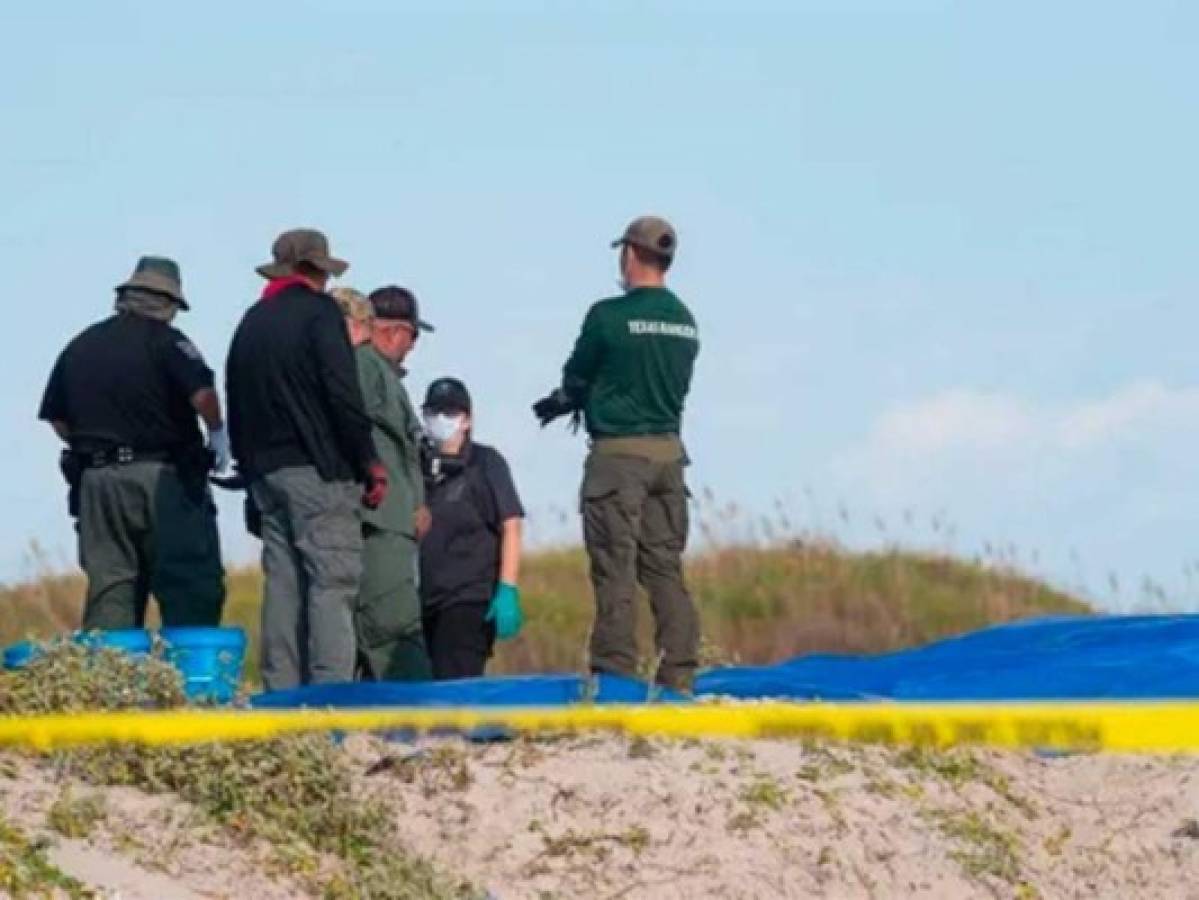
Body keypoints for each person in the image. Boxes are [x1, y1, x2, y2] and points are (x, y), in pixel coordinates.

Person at [533, 216, 701, 692]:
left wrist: (566, 400)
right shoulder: (685, 322)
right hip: (670, 454)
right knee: (666, 569)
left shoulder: (607, 316)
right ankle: (680, 673)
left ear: (629, 254)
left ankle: (616, 675)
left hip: (618, 457)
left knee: (615, 567)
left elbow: (579, 374)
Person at [226, 228, 388, 691]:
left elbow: (235, 396)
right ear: (317, 270)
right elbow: (342, 394)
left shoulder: (252, 320)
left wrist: (249, 471)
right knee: (332, 584)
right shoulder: (320, 314)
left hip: (265, 474)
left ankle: (281, 697)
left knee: (282, 585)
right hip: (321, 471)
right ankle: (330, 700)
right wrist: (369, 462)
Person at [38, 256, 227, 629]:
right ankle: (189, 682)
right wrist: (218, 433)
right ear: (169, 303)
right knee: (189, 582)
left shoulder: (80, 346)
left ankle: (113, 682)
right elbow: (202, 394)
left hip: (96, 483)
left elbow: (57, 419)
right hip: (163, 480)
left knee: (111, 587)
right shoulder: (169, 341)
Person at [333, 285, 433, 681]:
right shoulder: (366, 366)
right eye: (413, 337)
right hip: (380, 518)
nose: (412, 348)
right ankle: (414, 714)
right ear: (395, 332)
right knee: (394, 623)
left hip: (388, 517)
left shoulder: (377, 372)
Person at [420, 377, 525, 679]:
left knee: (454, 680)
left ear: (467, 420)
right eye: (433, 412)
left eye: (450, 414)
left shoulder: (486, 463)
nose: (441, 421)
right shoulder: (416, 465)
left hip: (468, 597)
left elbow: (511, 523)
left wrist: (507, 588)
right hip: (421, 598)